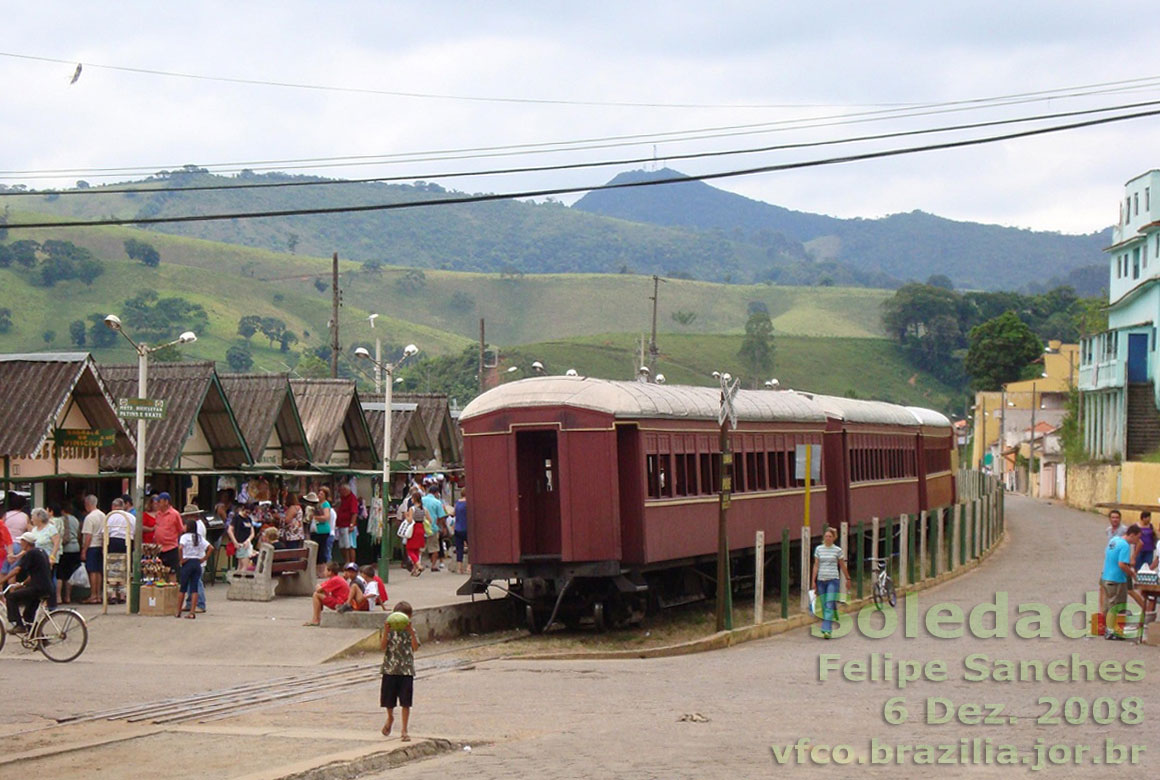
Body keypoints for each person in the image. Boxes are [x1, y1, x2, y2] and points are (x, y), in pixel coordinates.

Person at [379, 601, 419, 741]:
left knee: (406, 702)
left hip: (406, 670)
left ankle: (404, 730)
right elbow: (382, 647)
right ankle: (390, 718)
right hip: (390, 669)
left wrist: (410, 632)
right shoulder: (389, 630)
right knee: (388, 701)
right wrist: (386, 632)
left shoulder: (411, 631)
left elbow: (415, 647)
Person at [0, 532, 53, 633]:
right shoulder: (41, 552)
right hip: (46, 587)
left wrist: (2, 581)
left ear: (26, 543)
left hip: (37, 588)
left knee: (11, 597)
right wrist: (23, 584)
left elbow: (16, 570)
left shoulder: (30, 553)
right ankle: (40, 639)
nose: (20, 544)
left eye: (21, 541)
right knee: (28, 615)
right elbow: (33, 574)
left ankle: (18, 625)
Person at [1102, 523, 1141, 640]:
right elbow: (1122, 564)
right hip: (1117, 579)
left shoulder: (1114, 540)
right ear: (1132, 535)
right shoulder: (1125, 546)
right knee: (1117, 605)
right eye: (1137, 538)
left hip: (1107, 576)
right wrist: (1132, 574)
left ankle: (1108, 628)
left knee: (1108, 604)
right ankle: (1112, 631)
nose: (1137, 541)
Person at [811, 526, 851, 640]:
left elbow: (842, 565)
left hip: (833, 580)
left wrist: (848, 578)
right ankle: (832, 614)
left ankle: (827, 630)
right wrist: (813, 580)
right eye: (826, 536)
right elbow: (816, 565)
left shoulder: (837, 550)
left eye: (830, 536)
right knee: (824, 605)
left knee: (828, 604)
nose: (828, 538)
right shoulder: (819, 549)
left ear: (834, 538)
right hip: (821, 580)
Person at [175, 517, 211, 620]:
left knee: (183, 588)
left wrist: (181, 559)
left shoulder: (184, 537)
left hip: (187, 562)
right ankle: (192, 612)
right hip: (196, 562)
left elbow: (180, 548)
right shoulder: (199, 537)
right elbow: (210, 548)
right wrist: (204, 558)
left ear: (188, 527)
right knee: (194, 588)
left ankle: (178, 611)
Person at [305, 560, 349, 626]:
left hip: (340, 604)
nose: (324, 572)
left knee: (316, 595)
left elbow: (318, 589)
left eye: (325, 570)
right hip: (340, 601)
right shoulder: (335, 578)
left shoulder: (335, 579)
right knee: (321, 593)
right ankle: (318, 617)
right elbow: (322, 588)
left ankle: (316, 619)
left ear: (330, 571)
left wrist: (320, 588)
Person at [53, 503, 82, 604]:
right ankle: (68, 597)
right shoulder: (76, 520)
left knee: (60, 574)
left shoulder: (61, 520)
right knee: (70, 574)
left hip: (65, 548)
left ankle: (58, 597)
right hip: (75, 548)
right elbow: (79, 534)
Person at [151, 492, 186, 575]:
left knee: (172, 572)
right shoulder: (158, 514)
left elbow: (180, 529)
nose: (157, 504)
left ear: (166, 502)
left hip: (171, 548)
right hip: (159, 548)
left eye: (160, 501)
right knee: (159, 571)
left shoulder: (175, 514)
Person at [80, 494, 106, 603]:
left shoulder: (89, 517)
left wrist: (84, 550)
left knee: (92, 571)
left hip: (92, 546)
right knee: (99, 571)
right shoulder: (103, 515)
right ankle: (98, 595)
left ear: (87, 504)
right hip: (100, 545)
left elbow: (88, 536)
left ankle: (93, 595)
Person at [421, 483, 446, 572]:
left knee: (421, 547)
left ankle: (419, 564)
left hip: (421, 526)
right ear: (436, 493)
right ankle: (433, 565)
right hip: (433, 527)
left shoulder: (422, 500)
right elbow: (441, 516)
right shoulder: (437, 502)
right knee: (435, 548)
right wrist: (443, 527)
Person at [335, 483, 359, 565]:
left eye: (342, 490)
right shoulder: (341, 499)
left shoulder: (352, 498)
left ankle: (352, 563)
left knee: (350, 546)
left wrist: (352, 525)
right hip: (341, 525)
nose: (340, 492)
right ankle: (346, 561)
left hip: (348, 526)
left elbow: (354, 513)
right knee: (342, 546)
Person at [228, 502, 258, 571]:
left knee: (241, 565)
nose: (247, 514)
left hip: (247, 543)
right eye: (246, 512)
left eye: (249, 513)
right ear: (243, 509)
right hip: (240, 543)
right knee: (245, 566)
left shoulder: (248, 519)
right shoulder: (237, 518)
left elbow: (252, 533)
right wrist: (235, 542)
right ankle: (240, 580)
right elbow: (230, 530)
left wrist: (248, 540)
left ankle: (236, 580)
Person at [405, 489, 428, 576]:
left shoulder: (412, 509)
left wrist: (407, 516)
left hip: (414, 528)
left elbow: (410, 520)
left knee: (410, 549)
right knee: (417, 550)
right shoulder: (424, 509)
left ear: (414, 499)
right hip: (421, 528)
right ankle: (415, 570)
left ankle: (418, 565)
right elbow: (429, 519)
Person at [452, 488, 469, 575]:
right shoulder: (468, 503)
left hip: (457, 528)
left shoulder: (457, 503)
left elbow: (453, 514)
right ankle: (469, 567)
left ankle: (459, 568)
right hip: (467, 528)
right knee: (471, 548)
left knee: (459, 549)